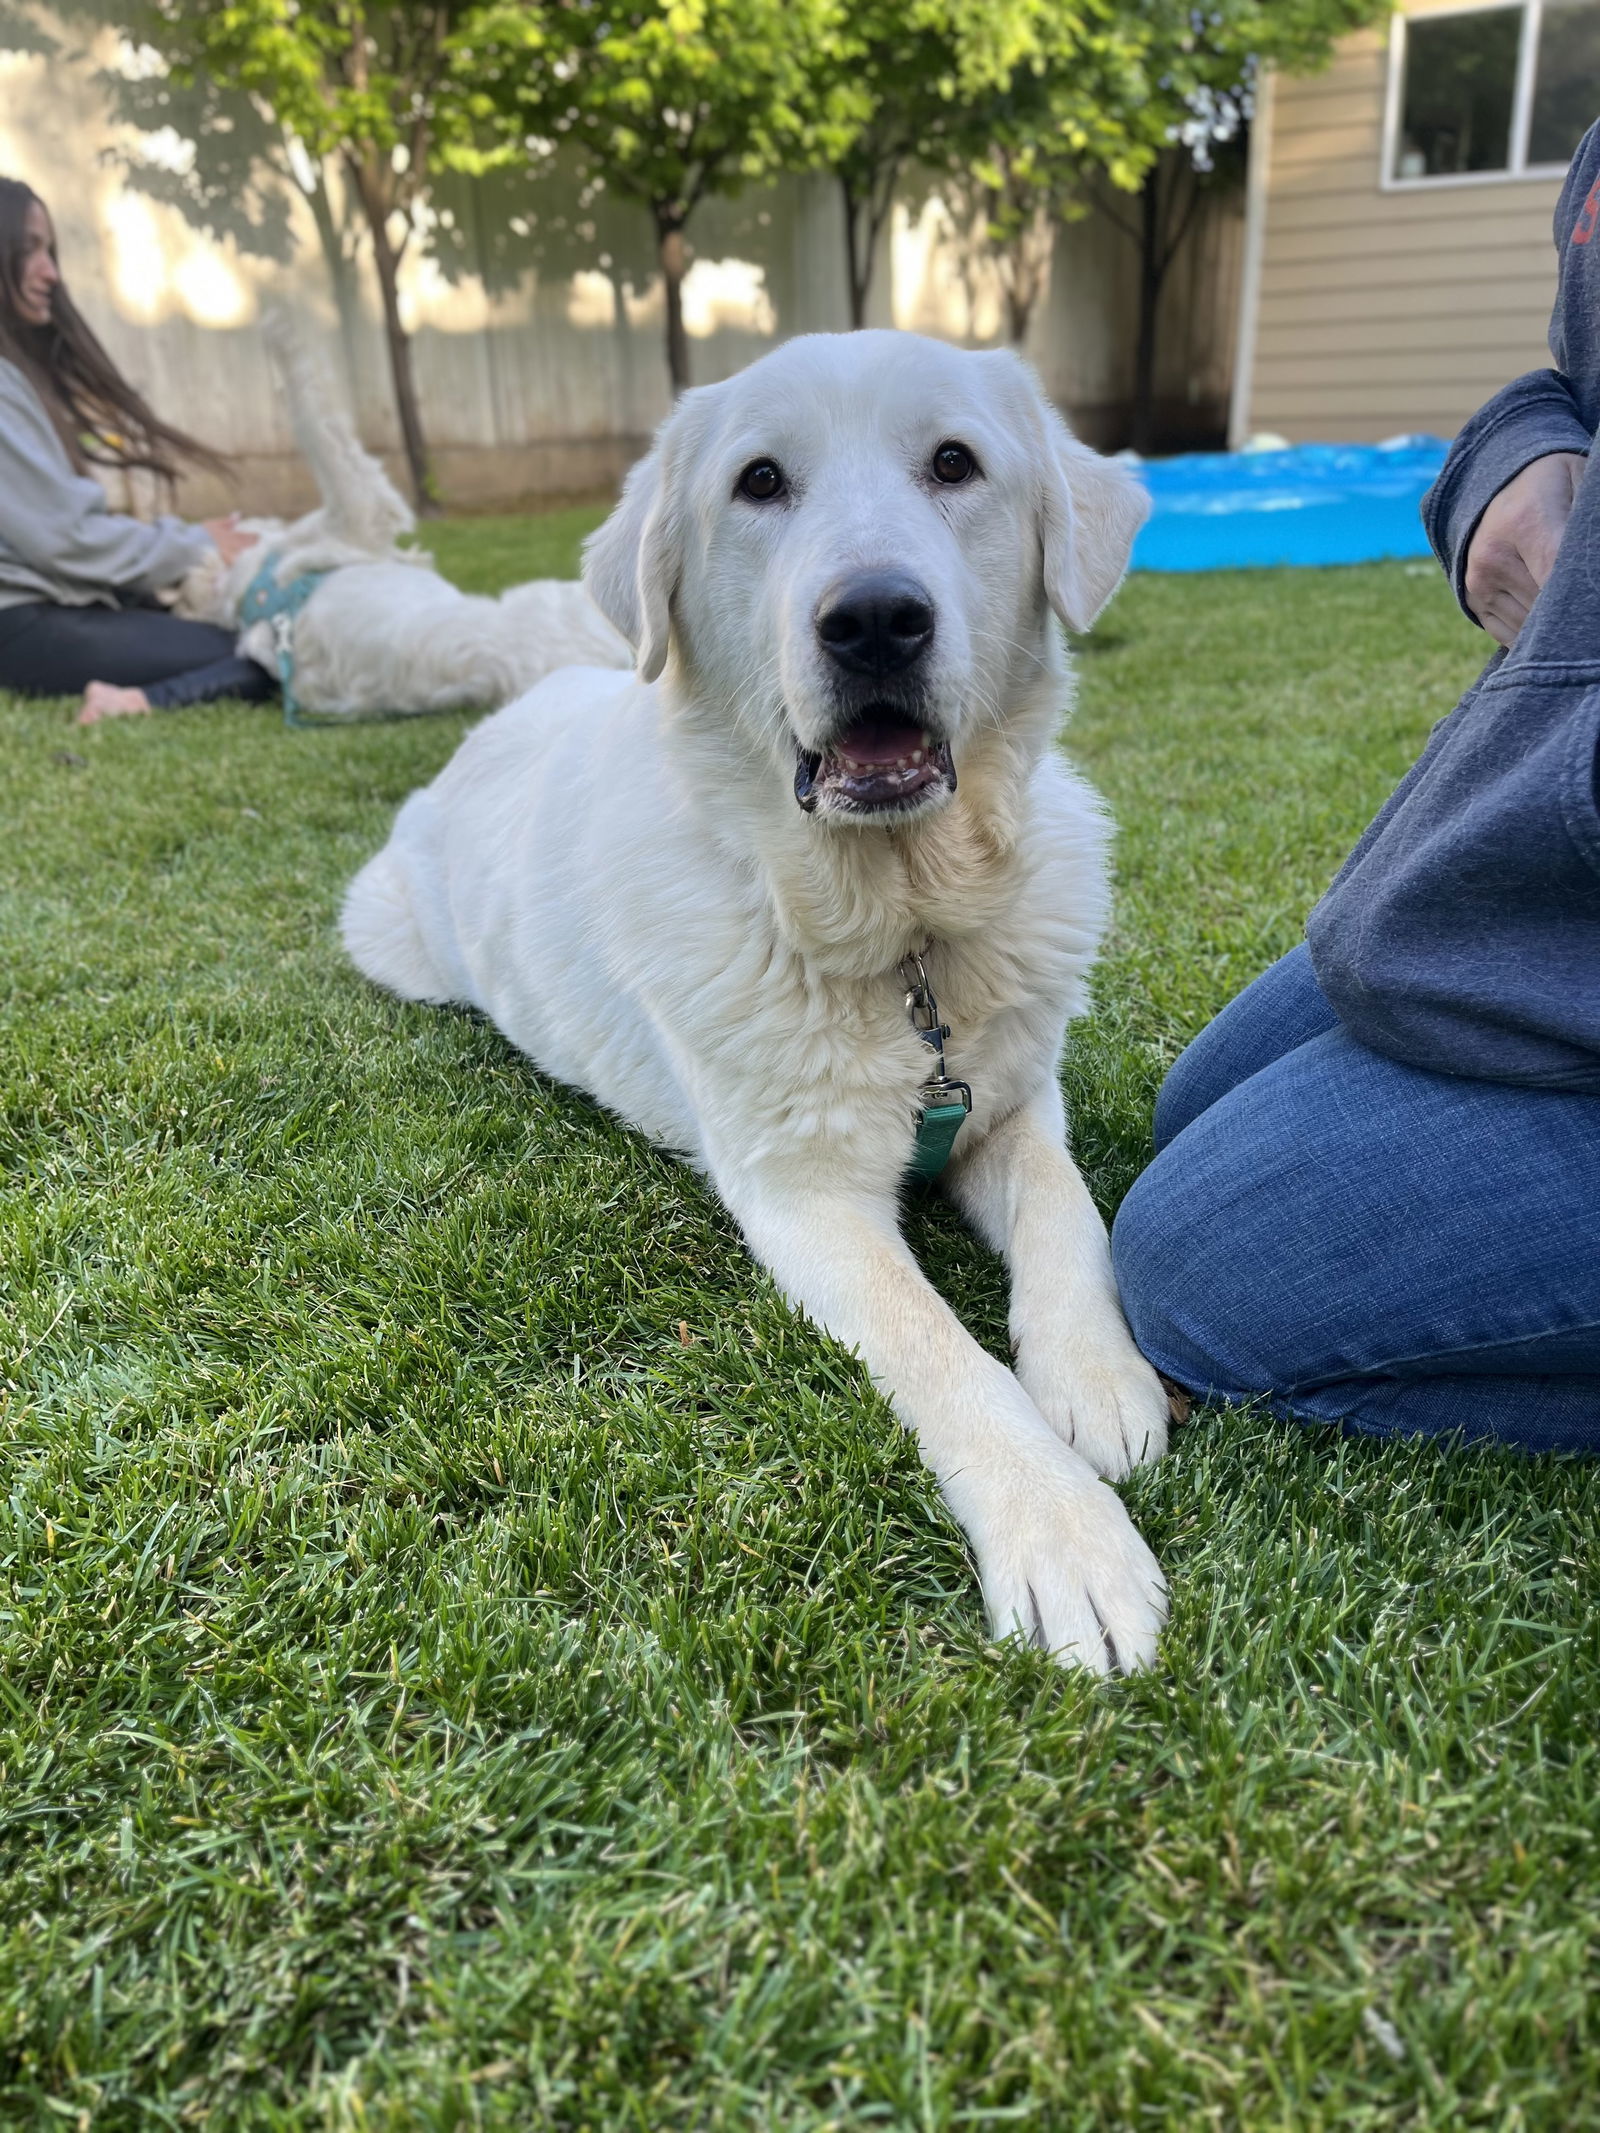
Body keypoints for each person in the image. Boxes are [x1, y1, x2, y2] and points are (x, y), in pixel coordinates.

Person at [1111, 120, 1600, 1452]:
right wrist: (1515, 462)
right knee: (1185, 1117)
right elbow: (1578, 379)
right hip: (1528, 868)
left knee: (1193, 1276)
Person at [0, 175, 274, 724]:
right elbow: (66, 540)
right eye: (28, 250)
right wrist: (193, 544)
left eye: (50, 251)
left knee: (255, 638)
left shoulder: (17, 375)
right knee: (270, 653)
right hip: (24, 628)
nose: (50, 272)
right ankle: (131, 703)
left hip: (53, 611)